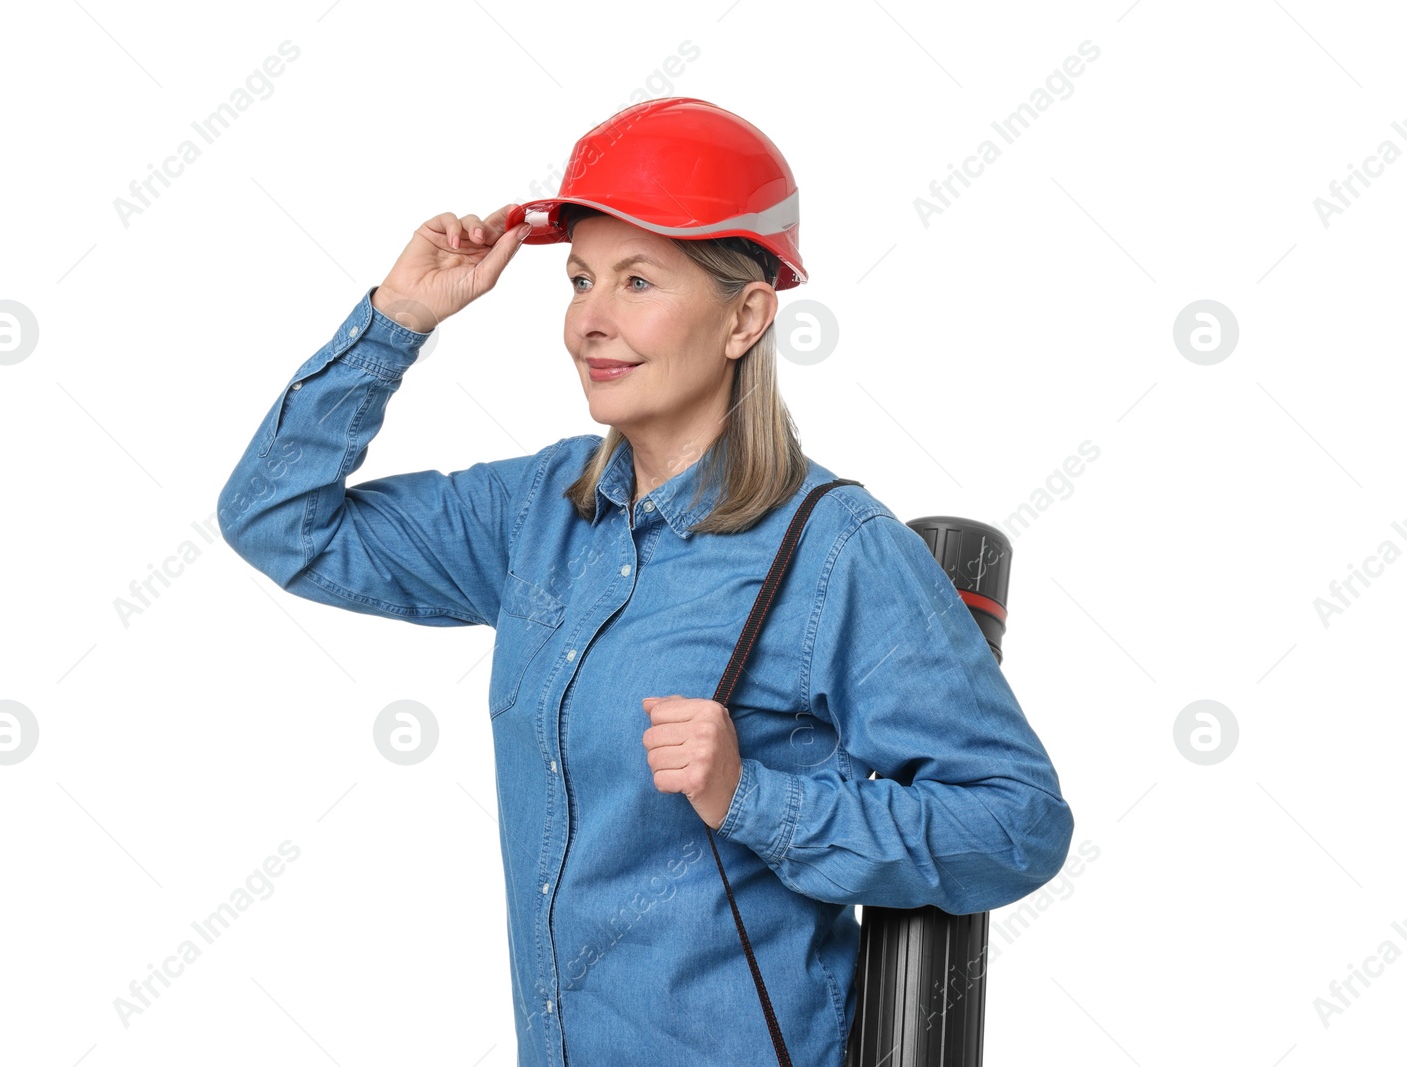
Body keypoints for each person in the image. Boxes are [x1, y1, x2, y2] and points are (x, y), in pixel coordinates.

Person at [217, 97, 1073, 1067]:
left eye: (638, 280)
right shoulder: (536, 511)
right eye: (581, 278)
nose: (592, 319)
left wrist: (752, 795)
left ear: (745, 315)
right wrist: (396, 318)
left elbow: (1014, 822)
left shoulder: (838, 552)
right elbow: (281, 522)